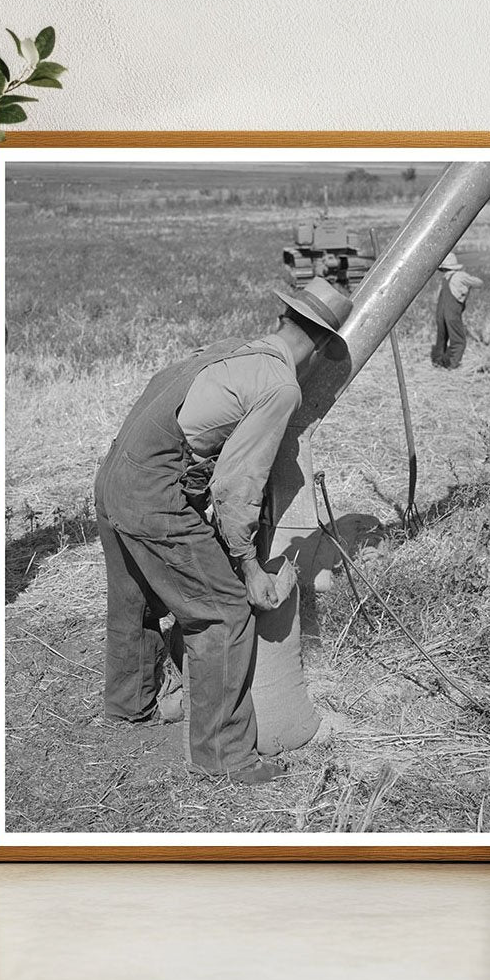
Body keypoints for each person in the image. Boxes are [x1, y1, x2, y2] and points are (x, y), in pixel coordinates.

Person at [94, 278, 351, 785]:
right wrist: (249, 567)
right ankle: (224, 756)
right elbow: (237, 485)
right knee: (223, 611)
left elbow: (173, 410)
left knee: (137, 595)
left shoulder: (228, 351)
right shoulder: (281, 386)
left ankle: (130, 703)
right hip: (153, 491)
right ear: (320, 346)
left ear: (282, 317)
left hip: (115, 474)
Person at [430, 251, 483, 369]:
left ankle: (438, 362)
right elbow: (479, 283)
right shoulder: (460, 276)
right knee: (459, 341)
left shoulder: (444, 278)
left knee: (441, 338)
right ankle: (451, 365)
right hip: (452, 314)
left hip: (440, 314)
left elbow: (436, 298)